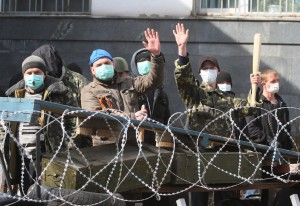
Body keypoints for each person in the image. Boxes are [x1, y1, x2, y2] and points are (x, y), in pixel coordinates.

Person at [172, 23, 259, 206]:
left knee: (223, 200)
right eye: (205, 68)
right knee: (199, 200)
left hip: (223, 156)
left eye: (212, 68)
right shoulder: (195, 95)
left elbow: (250, 108)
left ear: (218, 71)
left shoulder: (227, 99)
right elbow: (183, 80)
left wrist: (254, 87)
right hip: (200, 156)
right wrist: (182, 50)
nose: (208, 71)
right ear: (200, 73)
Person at [80, 28, 165, 145]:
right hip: (105, 148)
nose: (103, 66)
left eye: (107, 63)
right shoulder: (89, 91)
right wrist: (133, 116)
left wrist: (156, 56)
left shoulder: (128, 82)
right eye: (99, 65)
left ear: (113, 64)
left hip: (132, 144)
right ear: (92, 70)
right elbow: (97, 117)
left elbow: (153, 81)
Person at [3, 55, 71, 195]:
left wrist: (67, 145)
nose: (33, 76)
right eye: (29, 73)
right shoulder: (15, 95)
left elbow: (71, 121)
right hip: (21, 155)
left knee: (47, 194)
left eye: (37, 72)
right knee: (26, 194)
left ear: (44, 74)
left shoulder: (57, 93)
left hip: (48, 154)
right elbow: (4, 124)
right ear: (24, 75)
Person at [130, 48, 170, 145]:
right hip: (135, 142)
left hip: (157, 142)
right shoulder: (130, 90)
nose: (146, 63)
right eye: (142, 61)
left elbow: (167, 121)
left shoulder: (161, 94)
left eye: (149, 61)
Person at [246, 68, 293, 150]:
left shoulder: (282, 104)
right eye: (273, 81)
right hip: (261, 150)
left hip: (281, 152)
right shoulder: (256, 103)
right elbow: (252, 128)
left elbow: (287, 130)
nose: (276, 83)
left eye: (277, 81)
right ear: (263, 83)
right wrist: (269, 142)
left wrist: (288, 150)